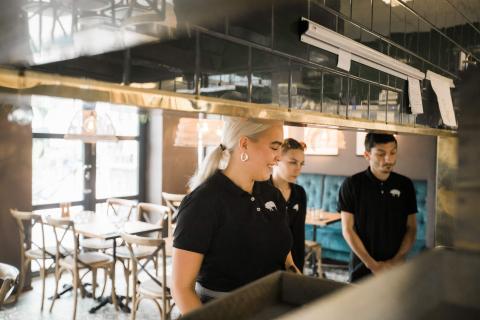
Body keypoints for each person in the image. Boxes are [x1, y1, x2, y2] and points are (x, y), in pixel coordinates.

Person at [171, 116, 299, 315]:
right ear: (245, 144)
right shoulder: (203, 202)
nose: (278, 157)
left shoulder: (272, 194)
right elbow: (181, 289)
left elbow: (287, 261)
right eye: (274, 148)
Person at [339, 133, 417, 282]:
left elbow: (411, 228)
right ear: (367, 155)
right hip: (362, 265)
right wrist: (373, 265)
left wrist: (395, 261)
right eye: (381, 154)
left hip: (396, 267)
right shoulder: (352, 185)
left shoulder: (405, 185)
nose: (389, 159)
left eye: (393, 153)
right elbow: (347, 229)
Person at [271, 138, 307, 272]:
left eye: (302, 164)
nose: (298, 169)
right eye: (293, 162)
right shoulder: (261, 191)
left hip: (293, 266)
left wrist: (298, 269)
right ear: (277, 160)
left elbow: (299, 236)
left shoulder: (300, 193)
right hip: (267, 267)